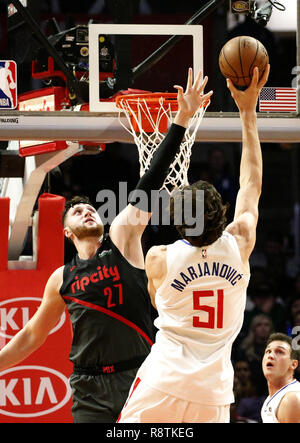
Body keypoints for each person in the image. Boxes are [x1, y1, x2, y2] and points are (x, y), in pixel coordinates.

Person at [0, 68, 213, 423]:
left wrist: (180, 119)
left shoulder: (123, 242)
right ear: (67, 232)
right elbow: (31, 335)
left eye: (89, 208)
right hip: (89, 388)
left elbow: (149, 183)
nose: (85, 210)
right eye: (76, 211)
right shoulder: (61, 278)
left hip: (140, 378)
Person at [118, 64, 270, 423]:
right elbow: (251, 185)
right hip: (213, 392)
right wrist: (248, 113)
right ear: (222, 213)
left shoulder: (159, 257)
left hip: (162, 381)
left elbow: (156, 302)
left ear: (179, 225)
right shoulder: (241, 242)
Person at [261, 332, 300, 423]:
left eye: (279, 352)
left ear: (293, 364)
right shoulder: (274, 397)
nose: (270, 356)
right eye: (268, 351)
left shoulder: (291, 399)